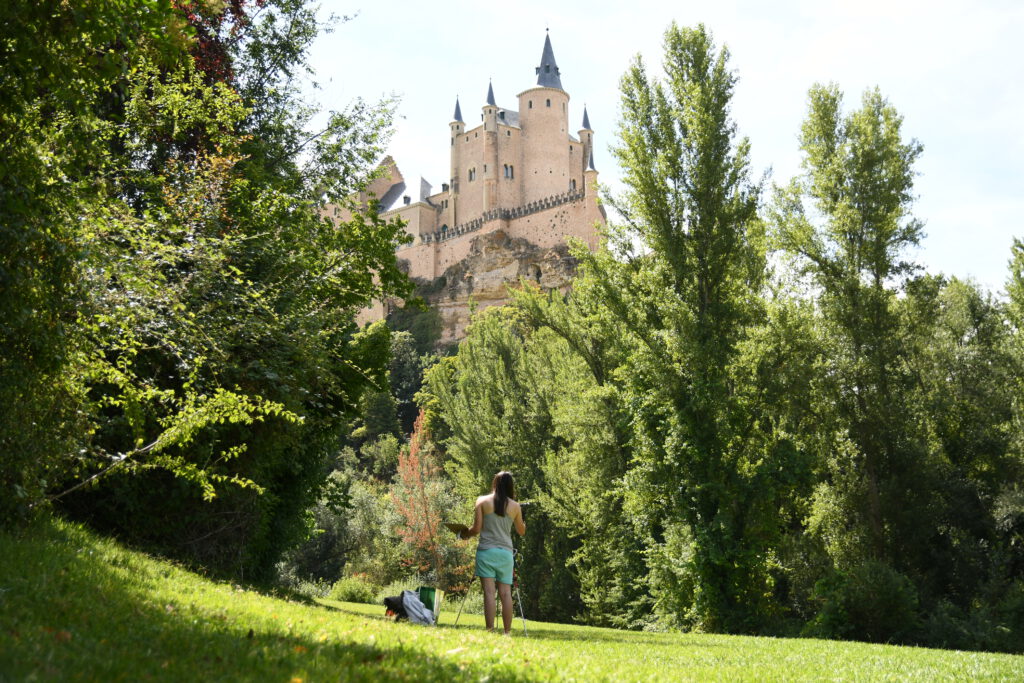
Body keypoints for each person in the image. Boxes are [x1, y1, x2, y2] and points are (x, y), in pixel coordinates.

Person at [459, 471, 526, 634]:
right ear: (511, 486)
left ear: (494, 483)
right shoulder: (515, 506)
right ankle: (507, 633)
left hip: (486, 552)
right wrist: (524, 522)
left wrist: (464, 533)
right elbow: (521, 531)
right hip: (505, 554)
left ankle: (489, 631)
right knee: (505, 593)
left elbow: (475, 529)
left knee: (489, 593)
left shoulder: (482, 501)